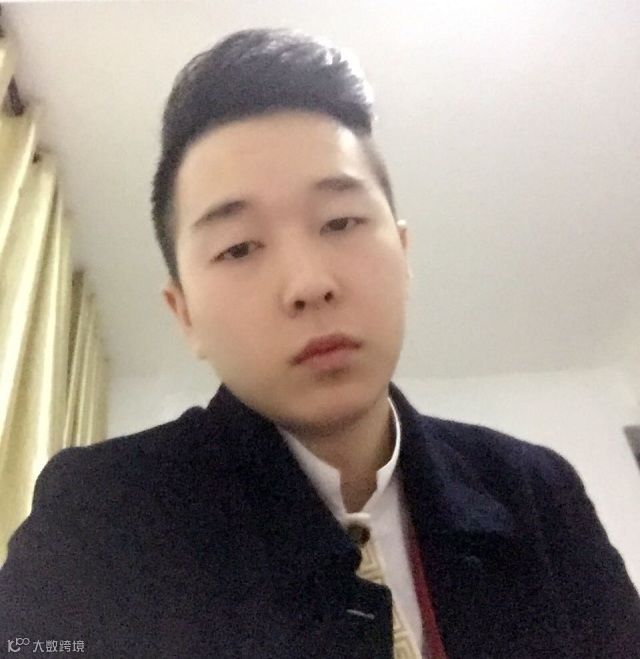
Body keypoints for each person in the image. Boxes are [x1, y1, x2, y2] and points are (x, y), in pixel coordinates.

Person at [1, 28, 639, 659]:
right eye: (239, 248)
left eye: (341, 222)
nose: (309, 284)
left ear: (404, 253)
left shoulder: (536, 491)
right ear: (185, 314)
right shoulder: (102, 516)